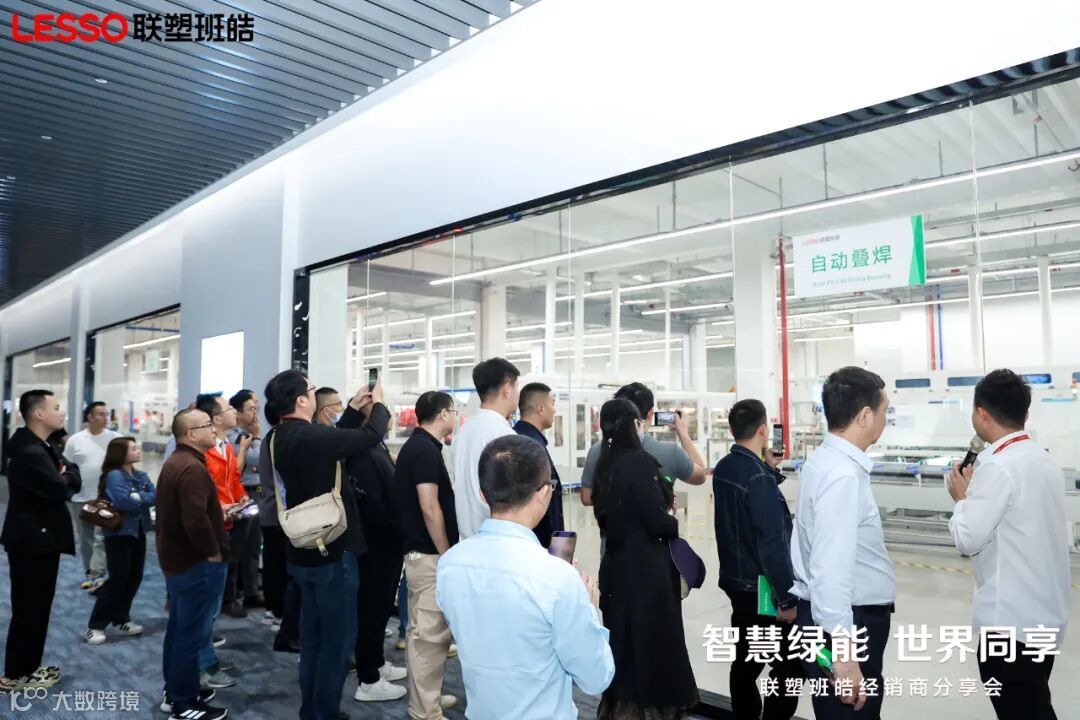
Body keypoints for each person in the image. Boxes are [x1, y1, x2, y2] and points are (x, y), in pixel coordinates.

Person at [437, 435, 614, 719]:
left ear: (482, 494)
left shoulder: (450, 564)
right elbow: (596, 678)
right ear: (543, 493)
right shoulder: (558, 579)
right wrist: (587, 607)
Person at [263, 369, 390, 720]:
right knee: (336, 643)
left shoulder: (278, 437)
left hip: (302, 549)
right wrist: (379, 405)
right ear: (301, 400)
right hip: (332, 550)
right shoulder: (311, 436)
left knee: (314, 640)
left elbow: (333, 443)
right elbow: (370, 436)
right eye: (312, 390)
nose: (316, 395)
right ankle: (325, 714)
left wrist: (352, 409)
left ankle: (313, 710)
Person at [947, 369, 1070, 720]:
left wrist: (961, 500)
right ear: (1025, 415)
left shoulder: (998, 467)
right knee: (1033, 701)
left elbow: (967, 539)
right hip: (1045, 617)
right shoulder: (1044, 460)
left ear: (980, 413)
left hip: (1009, 626)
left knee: (1023, 709)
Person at [790, 366, 894, 719]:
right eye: (884, 410)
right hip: (848, 624)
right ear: (865, 416)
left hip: (829, 620)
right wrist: (845, 656)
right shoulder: (842, 476)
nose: (885, 419)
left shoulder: (824, 461)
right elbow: (831, 569)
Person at [592, 398, 698, 719]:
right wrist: (671, 518)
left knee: (623, 647)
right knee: (654, 647)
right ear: (633, 424)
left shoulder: (604, 463)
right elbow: (656, 521)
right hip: (647, 572)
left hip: (616, 567)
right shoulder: (639, 462)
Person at [713, 399, 802, 720]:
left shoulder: (726, 467)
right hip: (762, 588)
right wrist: (787, 598)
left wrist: (770, 468)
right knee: (788, 666)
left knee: (747, 661)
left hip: (737, 582)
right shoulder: (757, 477)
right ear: (764, 429)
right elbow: (771, 542)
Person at [0, 390, 79, 692]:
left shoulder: (43, 445)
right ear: (39, 414)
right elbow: (60, 488)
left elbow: (72, 475)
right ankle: (16, 674)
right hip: (32, 540)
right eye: (56, 407)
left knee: (36, 606)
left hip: (39, 537)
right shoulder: (30, 452)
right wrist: (64, 476)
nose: (62, 412)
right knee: (30, 608)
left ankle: (27, 668)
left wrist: (65, 475)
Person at [156, 409, 230, 720]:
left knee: (180, 631)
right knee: (190, 635)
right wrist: (212, 552)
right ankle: (183, 703)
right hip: (194, 564)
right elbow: (195, 521)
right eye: (207, 425)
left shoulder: (179, 462)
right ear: (190, 434)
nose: (214, 429)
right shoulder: (191, 468)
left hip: (180, 563)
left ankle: (176, 690)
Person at [395, 391, 461, 718]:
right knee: (429, 638)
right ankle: (425, 711)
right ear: (443, 414)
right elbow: (429, 507)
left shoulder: (421, 446)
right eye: (454, 412)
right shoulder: (423, 450)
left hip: (422, 554)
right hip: (429, 555)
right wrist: (446, 554)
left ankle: (425, 699)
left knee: (422, 634)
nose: (456, 418)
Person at [338, 398, 408, 702]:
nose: (389, 417)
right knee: (372, 609)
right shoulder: (364, 454)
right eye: (383, 412)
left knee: (379, 609)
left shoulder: (373, 449)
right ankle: (369, 679)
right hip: (377, 544)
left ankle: (376, 663)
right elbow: (375, 506)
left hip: (386, 543)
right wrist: (398, 532)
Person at [580, 381, 706, 508]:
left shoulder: (597, 450)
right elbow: (701, 476)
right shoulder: (672, 452)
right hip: (656, 520)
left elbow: (586, 498)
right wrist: (683, 434)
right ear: (650, 413)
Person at [85, 437, 156, 645]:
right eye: (133, 448)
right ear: (121, 453)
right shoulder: (114, 475)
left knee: (134, 577)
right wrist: (140, 497)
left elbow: (155, 496)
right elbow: (123, 501)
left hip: (139, 530)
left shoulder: (140, 475)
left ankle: (121, 618)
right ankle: (95, 625)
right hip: (119, 533)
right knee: (118, 579)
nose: (138, 450)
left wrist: (137, 496)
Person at [452, 357, 520, 538]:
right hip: (497, 539)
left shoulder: (463, 432)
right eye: (517, 388)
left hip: (467, 539)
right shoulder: (504, 435)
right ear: (507, 390)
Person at [258, 400, 301, 654]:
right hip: (277, 514)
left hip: (277, 513)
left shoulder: (274, 438)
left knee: (278, 565)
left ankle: (278, 612)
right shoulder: (277, 439)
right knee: (278, 566)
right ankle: (277, 612)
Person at [63, 400, 121, 591]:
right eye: (101, 414)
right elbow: (66, 468)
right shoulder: (75, 440)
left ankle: (98, 575)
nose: (105, 417)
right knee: (86, 539)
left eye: (106, 414)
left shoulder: (115, 439)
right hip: (81, 497)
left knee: (101, 538)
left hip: (105, 498)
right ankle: (90, 573)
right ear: (90, 417)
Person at [512, 382, 565, 547]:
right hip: (537, 542)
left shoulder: (521, 438)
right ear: (540, 408)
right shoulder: (529, 445)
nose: (554, 410)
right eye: (552, 404)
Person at [226, 389, 265, 611]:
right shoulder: (235, 436)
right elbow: (257, 459)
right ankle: (231, 597)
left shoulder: (248, 433)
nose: (256, 413)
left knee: (253, 547)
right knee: (237, 549)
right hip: (243, 495)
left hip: (257, 493)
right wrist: (257, 437)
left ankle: (251, 593)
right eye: (251, 409)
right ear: (238, 412)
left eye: (257, 408)